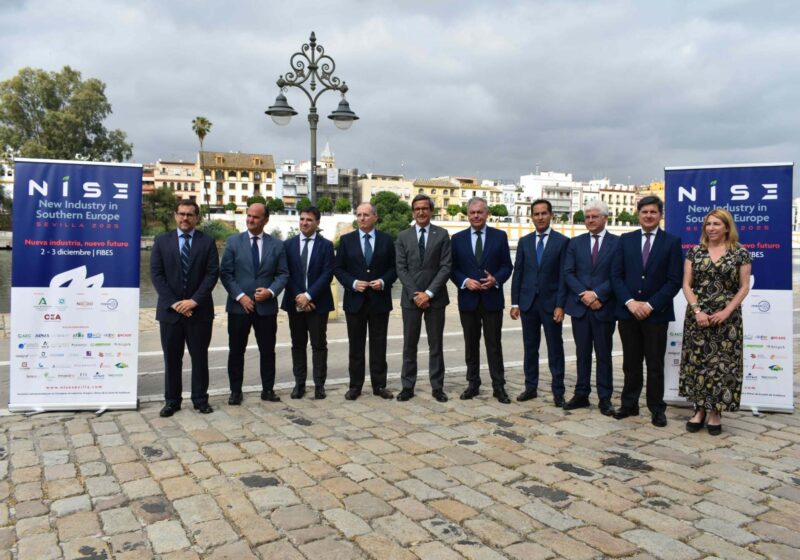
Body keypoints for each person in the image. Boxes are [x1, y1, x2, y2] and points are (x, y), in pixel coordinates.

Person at [611, 195, 682, 427]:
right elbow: (616, 276)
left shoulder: (672, 242)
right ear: (638, 214)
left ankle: (656, 408)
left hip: (657, 315)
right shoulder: (625, 240)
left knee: (655, 365)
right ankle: (629, 404)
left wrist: (650, 305)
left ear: (660, 215)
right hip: (628, 313)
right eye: (644, 212)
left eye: (653, 212)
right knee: (631, 363)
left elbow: (674, 280)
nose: (648, 215)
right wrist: (630, 302)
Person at [679, 208, 751, 436]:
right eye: (708, 224)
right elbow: (686, 285)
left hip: (727, 321)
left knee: (722, 367)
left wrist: (726, 312)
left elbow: (744, 287)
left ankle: (715, 413)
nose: (711, 228)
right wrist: (697, 311)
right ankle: (699, 410)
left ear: (727, 227)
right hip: (697, 319)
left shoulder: (740, 253)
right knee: (698, 364)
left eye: (716, 224)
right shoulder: (695, 252)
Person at [150, 199, 219, 417]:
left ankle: (200, 399)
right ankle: (172, 401)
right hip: (170, 313)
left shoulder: (207, 242)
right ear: (175, 215)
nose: (185, 218)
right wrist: (176, 304)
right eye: (181, 214)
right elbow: (157, 275)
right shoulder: (162, 241)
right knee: (172, 359)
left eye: (189, 214)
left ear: (196, 217)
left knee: (199, 358)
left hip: (199, 312)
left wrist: (193, 301)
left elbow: (212, 275)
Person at [220, 203, 288, 405]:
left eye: (255, 217)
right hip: (238, 307)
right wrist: (240, 296)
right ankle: (235, 392)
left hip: (266, 308)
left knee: (267, 351)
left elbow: (283, 274)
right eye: (248, 215)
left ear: (265, 220)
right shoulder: (233, 242)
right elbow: (226, 274)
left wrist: (270, 292)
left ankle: (268, 390)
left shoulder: (277, 245)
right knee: (236, 351)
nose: (250, 219)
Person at [451, 197, 514, 404]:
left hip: (492, 299)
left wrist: (496, 280)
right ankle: (473, 384)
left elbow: (507, 266)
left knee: (494, 345)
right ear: (467, 215)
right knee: (471, 345)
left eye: (480, 212)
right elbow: (452, 268)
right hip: (468, 300)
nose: (476, 216)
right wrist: (465, 281)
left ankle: (499, 386)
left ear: (487, 214)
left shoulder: (499, 236)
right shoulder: (457, 239)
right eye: (472, 212)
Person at [334, 202, 397, 400]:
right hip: (355, 301)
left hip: (379, 301)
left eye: (366, 215)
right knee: (356, 347)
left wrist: (383, 281)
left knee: (379, 345)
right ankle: (355, 386)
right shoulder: (346, 240)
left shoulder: (387, 240)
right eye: (359, 215)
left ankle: (380, 385)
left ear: (375, 217)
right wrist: (352, 283)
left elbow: (394, 268)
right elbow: (338, 268)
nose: (361, 218)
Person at [562, 200, 619, 415]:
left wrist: (597, 294)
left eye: (595, 217)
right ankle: (581, 394)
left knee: (604, 354)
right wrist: (584, 295)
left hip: (604, 307)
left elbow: (618, 274)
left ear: (605, 218)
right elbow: (568, 273)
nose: (590, 220)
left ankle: (605, 398)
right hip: (580, 307)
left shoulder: (617, 243)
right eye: (587, 217)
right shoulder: (575, 243)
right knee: (582, 353)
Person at [510, 199, 569, 407]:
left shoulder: (562, 242)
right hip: (528, 304)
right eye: (536, 214)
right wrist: (515, 303)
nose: (540, 217)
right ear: (532, 217)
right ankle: (530, 387)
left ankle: (558, 391)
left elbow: (564, 276)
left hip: (552, 305)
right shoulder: (524, 242)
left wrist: (561, 305)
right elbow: (518, 273)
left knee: (555, 349)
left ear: (551, 215)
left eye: (544, 213)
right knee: (530, 348)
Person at [395, 194, 452, 402]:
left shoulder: (442, 235)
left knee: (435, 345)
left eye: (425, 208)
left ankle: (437, 387)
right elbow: (401, 268)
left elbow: (446, 267)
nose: (421, 212)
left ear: (431, 211)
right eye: (417, 209)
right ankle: (407, 386)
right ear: (413, 212)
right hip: (410, 300)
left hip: (435, 299)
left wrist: (428, 293)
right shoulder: (403, 236)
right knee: (409, 345)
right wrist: (416, 294)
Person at [282, 206, 335, 400]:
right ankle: (299, 384)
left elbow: (327, 274)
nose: (304, 223)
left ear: (317, 223)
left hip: (318, 303)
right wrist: (300, 296)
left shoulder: (326, 245)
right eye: (302, 219)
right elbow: (285, 273)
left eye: (309, 220)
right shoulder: (287, 245)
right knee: (298, 344)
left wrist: (309, 296)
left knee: (319, 344)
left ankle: (319, 385)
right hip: (294, 301)